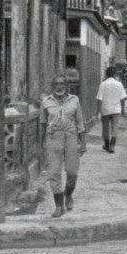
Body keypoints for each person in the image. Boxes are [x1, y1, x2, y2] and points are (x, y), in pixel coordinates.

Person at [41, 72, 88, 217]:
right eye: (56, 84)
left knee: (72, 172)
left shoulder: (74, 100)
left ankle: (68, 194)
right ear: (52, 86)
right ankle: (59, 206)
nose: (59, 87)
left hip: (71, 137)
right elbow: (42, 124)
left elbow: (80, 123)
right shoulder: (46, 101)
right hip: (53, 138)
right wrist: (41, 144)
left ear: (66, 86)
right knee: (54, 173)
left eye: (62, 84)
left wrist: (83, 143)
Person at [96, 65, 127, 153]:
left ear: (106, 74)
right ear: (114, 74)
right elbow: (122, 99)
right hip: (116, 109)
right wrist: (123, 110)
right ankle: (112, 146)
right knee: (114, 128)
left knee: (105, 128)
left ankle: (106, 145)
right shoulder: (119, 84)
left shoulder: (103, 84)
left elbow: (99, 99)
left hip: (105, 108)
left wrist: (98, 111)